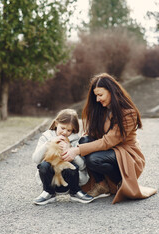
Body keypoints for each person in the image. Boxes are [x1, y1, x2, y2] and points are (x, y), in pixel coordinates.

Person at [62, 73, 157, 204]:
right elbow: (92, 135)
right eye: (96, 95)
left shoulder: (128, 113)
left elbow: (108, 141)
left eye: (100, 95)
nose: (97, 99)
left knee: (93, 159)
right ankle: (102, 184)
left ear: (111, 91)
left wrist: (77, 151)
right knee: (84, 141)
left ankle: (120, 183)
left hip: (126, 154)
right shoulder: (102, 109)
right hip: (109, 150)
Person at [32, 109, 93, 205]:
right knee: (44, 165)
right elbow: (35, 159)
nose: (65, 132)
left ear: (73, 129)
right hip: (51, 180)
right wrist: (49, 143)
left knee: (71, 166)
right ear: (56, 124)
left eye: (69, 130)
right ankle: (48, 192)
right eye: (62, 128)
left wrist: (71, 150)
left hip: (69, 181)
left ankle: (75, 192)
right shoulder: (46, 137)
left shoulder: (75, 139)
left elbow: (82, 166)